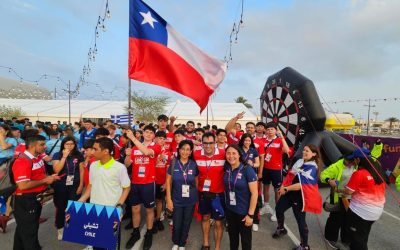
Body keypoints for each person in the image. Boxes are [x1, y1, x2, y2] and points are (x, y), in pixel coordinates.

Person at [78, 137, 131, 250]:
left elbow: (126, 187)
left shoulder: (119, 168)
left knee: (112, 245)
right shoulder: (93, 165)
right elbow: (90, 186)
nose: (92, 151)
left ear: (106, 151)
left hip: (111, 212)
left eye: (95, 149)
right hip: (94, 211)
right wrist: (80, 201)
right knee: (97, 245)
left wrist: (120, 205)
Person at [11, 135, 60, 250]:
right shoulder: (23, 161)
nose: (45, 147)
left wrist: (48, 179)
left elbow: (38, 176)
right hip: (25, 200)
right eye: (42, 145)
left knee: (23, 229)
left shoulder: (37, 158)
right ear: (32, 146)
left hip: (34, 198)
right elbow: (23, 185)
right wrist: (45, 180)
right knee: (30, 231)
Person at [272, 144, 322, 250]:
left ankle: (305, 246)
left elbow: (301, 186)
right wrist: (283, 186)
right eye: (304, 150)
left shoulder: (312, 168)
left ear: (314, 154)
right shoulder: (300, 161)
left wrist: (285, 189)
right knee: (279, 209)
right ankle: (281, 228)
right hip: (290, 191)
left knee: (300, 221)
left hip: (300, 197)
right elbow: (290, 175)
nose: (304, 152)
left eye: (307, 151)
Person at [320, 149, 366, 249]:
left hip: (351, 197)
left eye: (350, 161)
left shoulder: (357, 166)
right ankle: (330, 238)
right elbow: (323, 175)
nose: (348, 162)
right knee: (335, 218)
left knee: (348, 219)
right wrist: (329, 180)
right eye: (346, 160)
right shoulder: (337, 165)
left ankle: (346, 239)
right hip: (337, 195)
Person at [125, 125, 161, 250]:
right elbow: (127, 164)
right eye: (147, 132)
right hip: (135, 183)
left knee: (149, 209)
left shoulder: (156, 147)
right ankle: (135, 232)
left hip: (148, 184)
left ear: (154, 136)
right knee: (135, 208)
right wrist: (128, 155)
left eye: (151, 132)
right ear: (143, 133)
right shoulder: (134, 147)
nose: (149, 134)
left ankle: (149, 233)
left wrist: (132, 138)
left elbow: (146, 152)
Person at [344, 151, 387, 250]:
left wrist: (339, 188)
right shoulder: (378, 171)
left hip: (360, 212)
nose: (353, 161)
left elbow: (348, 192)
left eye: (354, 159)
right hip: (376, 212)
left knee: (357, 240)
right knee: (363, 235)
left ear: (358, 160)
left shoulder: (359, 173)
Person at [194, 132, 226, 250]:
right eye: (205, 143)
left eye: (211, 143)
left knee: (218, 222)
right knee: (205, 218)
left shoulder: (223, 154)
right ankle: (206, 244)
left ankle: (217, 247)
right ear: (201, 143)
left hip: (219, 194)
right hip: (203, 193)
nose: (208, 146)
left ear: (215, 142)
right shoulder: (196, 154)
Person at [165, 140, 198, 250]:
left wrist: (195, 195)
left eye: (187, 149)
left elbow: (196, 183)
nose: (185, 152)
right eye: (183, 149)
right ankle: (176, 242)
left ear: (191, 151)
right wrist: (169, 199)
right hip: (176, 199)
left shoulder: (194, 164)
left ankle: (182, 243)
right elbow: (168, 183)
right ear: (179, 150)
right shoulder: (174, 163)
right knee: (177, 222)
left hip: (190, 200)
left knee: (187, 222)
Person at [224, 144, 258, 250]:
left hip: (244, 213)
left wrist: (250, 215)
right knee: (233, 240)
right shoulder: (227, 168)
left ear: (239, 155)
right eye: (228, 153)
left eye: (234, 153)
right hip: (230, 210)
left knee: (246, 242)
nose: (231, 156)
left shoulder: (247, 170)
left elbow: (255, 194)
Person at [52, 136, 84, 240]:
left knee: (73, 206)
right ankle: (60, 228)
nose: (70, 146)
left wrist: (81, 185)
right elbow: (56, 170)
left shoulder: (78, 155)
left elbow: (82, 171)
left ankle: (72, 227)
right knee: (61, 207)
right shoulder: (57, 155)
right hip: (61, 185)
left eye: (72, 144)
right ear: (63, 145)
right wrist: (64, 157)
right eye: (67, 144)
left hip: (75, 185)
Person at [259, 122, 289, 222]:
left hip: (276, 169)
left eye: (272, 129)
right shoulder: (263, 140)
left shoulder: (279, 140)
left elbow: (286, 150)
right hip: (265, 168)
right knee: (265, 187)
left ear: (276, 130)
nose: (270, 131)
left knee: (277, 190)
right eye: (268, 129)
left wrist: (282, 138)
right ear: (265, 131)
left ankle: (278, 210)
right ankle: (266, 206)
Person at [238, 133, 260, 232]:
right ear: (242, 140)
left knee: (254, 196)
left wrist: (253, 164)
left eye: (249, 140)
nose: (247, 142)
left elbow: (258, 163)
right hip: (240, 176)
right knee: (241, 197)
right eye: (245, 140)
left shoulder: (254, 150)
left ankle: (254, 220)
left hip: (251, 177)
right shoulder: (238, 149)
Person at [153, 130, 171, 233]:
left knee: (159, 200)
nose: (162, 140)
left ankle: (158, 219)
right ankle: (151, 222)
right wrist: (157, 159)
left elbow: (168, 169)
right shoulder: (150, 150)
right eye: (160, 138)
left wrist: (166, 183)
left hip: (161, 181)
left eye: (164, 138)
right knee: (151, 203)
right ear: (155, 139)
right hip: (151, 180)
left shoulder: (167, 152)